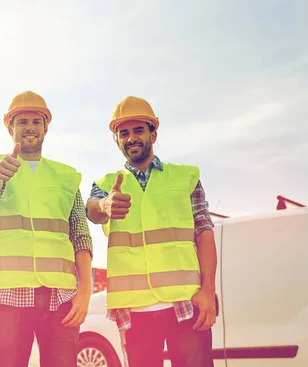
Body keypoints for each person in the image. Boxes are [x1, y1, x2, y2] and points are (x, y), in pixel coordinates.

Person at [86, 96, 217, 367]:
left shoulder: (185, 178)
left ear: (153, 133)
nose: (131, 138)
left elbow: (204, 232)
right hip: (136, 311)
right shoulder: (107, 184)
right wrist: (105, 204)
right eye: (123, 133)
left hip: (186, 304)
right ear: (116, 140)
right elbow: (92, 210)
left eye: (138, 130)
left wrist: (207, 291)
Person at [0, 91, 93, 367]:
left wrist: (84, 293)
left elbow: (81, 236)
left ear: (46, 128)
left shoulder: (66, 177)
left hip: (60, 298)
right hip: (9, 297)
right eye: (22, 121)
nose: (29, 127)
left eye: (36, 122)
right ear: (10, 128)